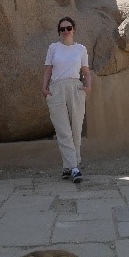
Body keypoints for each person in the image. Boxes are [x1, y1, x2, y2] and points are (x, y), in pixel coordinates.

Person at [42, 16, 91, 183]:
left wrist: (87, 87)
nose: (65, 31)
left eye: (68, 28)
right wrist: (44, 87)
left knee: (76, 129)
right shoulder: (53, 48)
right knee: (63, 130)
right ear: (59, 32)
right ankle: (75, 168)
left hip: (75, 88)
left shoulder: (81, 49)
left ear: (74, 29)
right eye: (62, 29)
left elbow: (85, 72)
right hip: (56, 87)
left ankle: (68, 167)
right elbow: (48, 69)